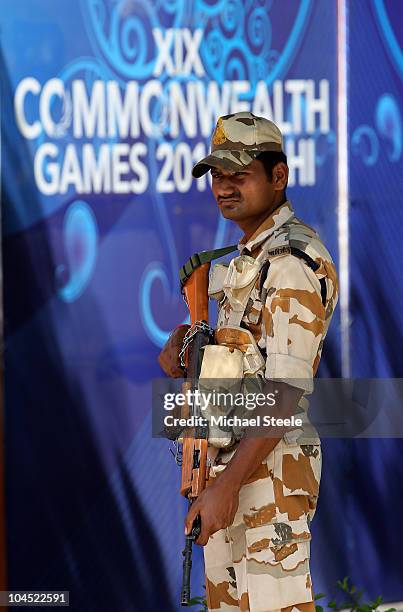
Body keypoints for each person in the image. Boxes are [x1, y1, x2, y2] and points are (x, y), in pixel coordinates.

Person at [159, 112, 338, 612]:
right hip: (231, 470)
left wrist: (228, 486)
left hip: (268, 477)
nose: (224, 187)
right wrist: (187, 346)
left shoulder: (293, 263)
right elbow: (243, 360)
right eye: (217, 174)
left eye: (239, 173)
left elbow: (285, 392)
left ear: (278, 176)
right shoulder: (246, 261)